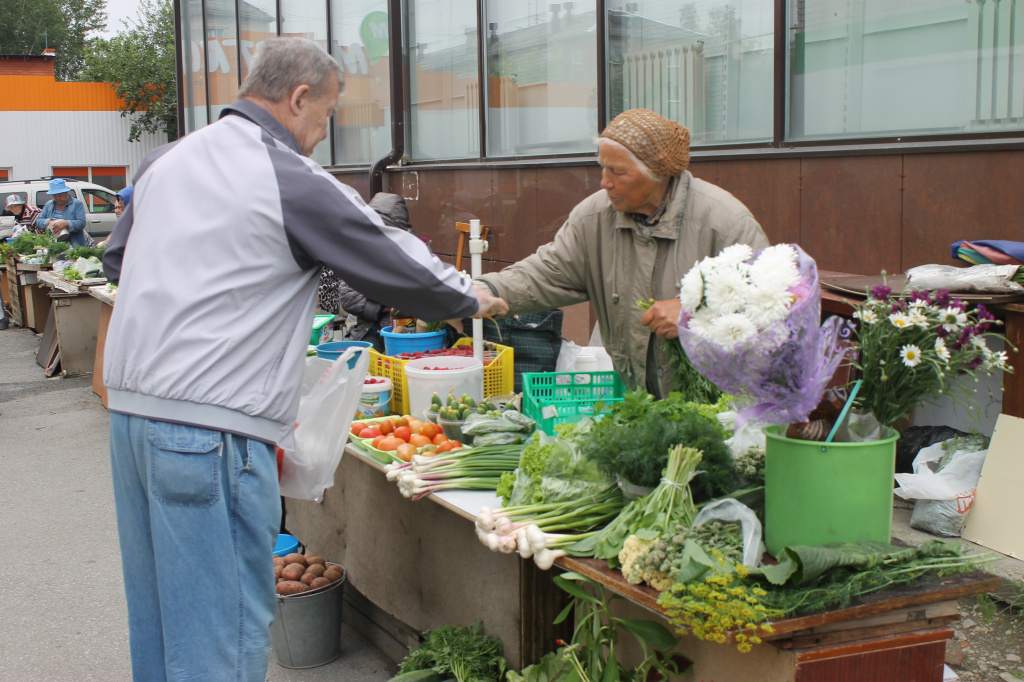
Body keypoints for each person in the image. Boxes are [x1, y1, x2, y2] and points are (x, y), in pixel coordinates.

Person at [101, 37, 506, 681]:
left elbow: (119, 260)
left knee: (163, 619)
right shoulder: (283, 173)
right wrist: (473, 295)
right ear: (298, 98)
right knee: (219, 628)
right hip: (212, 431)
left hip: (132, 421)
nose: (324, 130)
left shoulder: (165, 162)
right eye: (327, 113)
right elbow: (389, 255)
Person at [476, 108, 769, 399]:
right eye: (603, 167)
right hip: (643, 402)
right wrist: (486, 289)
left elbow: (772, 305)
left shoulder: (723, 222)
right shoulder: (594, 218)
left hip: (722, 409)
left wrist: (696, 313)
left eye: (618, 171)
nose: (605, 182)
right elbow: (547, 272)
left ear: (658, 171)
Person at [337, 192, 417, 351]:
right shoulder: (360, 251)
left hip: (402, 333)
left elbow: (414, 298)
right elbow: (348, 298)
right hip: (366, 331)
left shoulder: (414, 252)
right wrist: (387, 304)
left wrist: (370, 293)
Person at [35, 178, 93, 246]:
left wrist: (66, 223)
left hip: (74, 244)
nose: (57, 198)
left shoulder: (77, 204)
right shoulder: (49, 205)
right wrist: (49, 222)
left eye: (59, 195)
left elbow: (81, 223)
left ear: (66, 192)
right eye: (54, 195)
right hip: (54, 245)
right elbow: (39, 221)